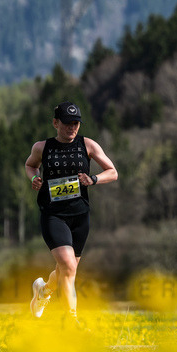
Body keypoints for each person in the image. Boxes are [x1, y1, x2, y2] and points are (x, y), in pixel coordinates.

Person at [24, 101, 117, 323]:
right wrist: (35, 178)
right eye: (67, 123)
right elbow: (30, 165)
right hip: (53, 214)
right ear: (56, 123)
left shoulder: (88, 145)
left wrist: (93, 179)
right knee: (67, 265)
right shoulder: (42, 147)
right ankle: (71, 319)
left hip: (80, 215)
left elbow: (112, 172)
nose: (72, 128)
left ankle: (43, 291)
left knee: (68, 269)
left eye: (76, 123)